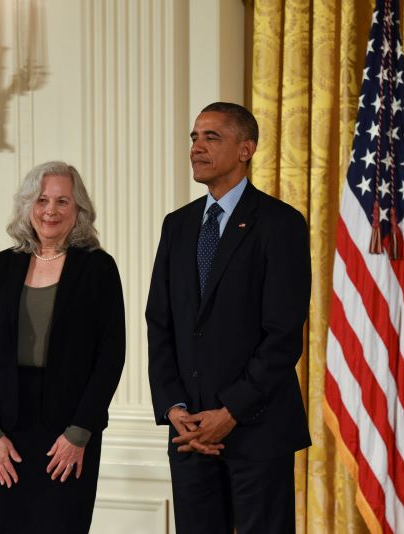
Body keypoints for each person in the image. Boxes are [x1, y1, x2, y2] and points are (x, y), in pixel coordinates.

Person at [146, 102, 312, 533]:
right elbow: (160, 323)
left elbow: (283, 335)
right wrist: (174, 407)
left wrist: (230, 412)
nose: (197, 147)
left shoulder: (280, 224)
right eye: (194, 137)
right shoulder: (177, 226)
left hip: (256, 430)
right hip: (189, 434)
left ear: (246, 149)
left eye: (211, 137)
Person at [0, 161, 126, 533]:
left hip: (67, 435)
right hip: (7, 434)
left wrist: (79, 432)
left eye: (62, 201)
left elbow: (110, 357)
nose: (50, 210)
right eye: (41, 200)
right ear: (27, 206)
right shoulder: (1, 267)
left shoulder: (98, 268)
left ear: (78, 210)